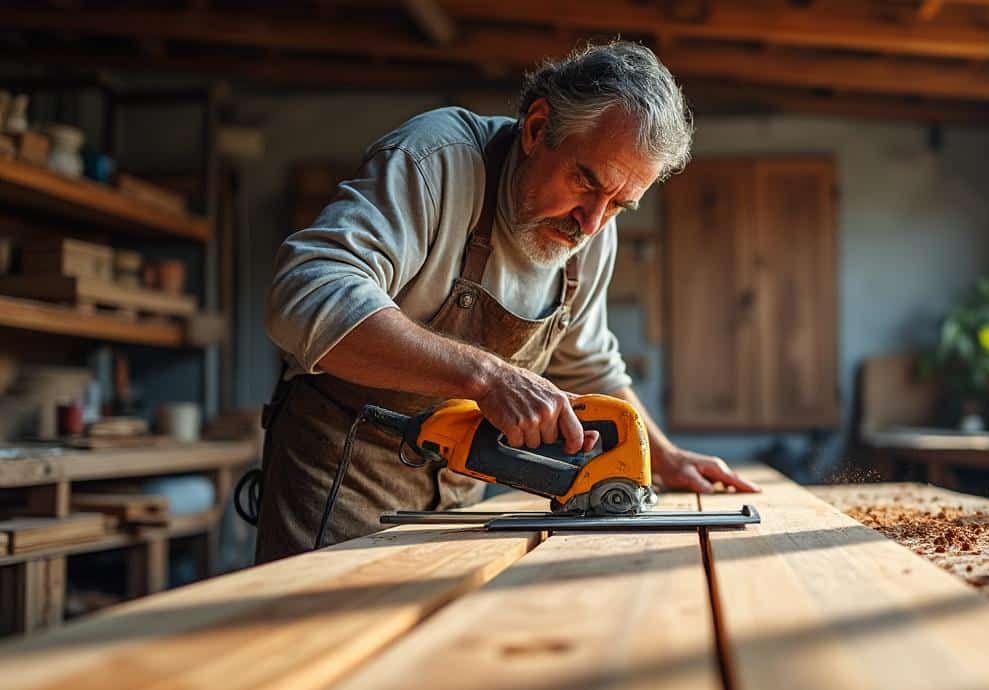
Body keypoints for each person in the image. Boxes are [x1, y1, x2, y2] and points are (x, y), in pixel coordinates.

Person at [254, 41, 758, 562]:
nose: (591, 222)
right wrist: (487, 377)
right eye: (585, 181)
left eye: (618, 205)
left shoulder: (592, 234)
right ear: (538, 128)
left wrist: (665, 459)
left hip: (461, 499)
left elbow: (586, 367)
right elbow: (306, 292)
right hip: (341, 479)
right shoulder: (437, 161)